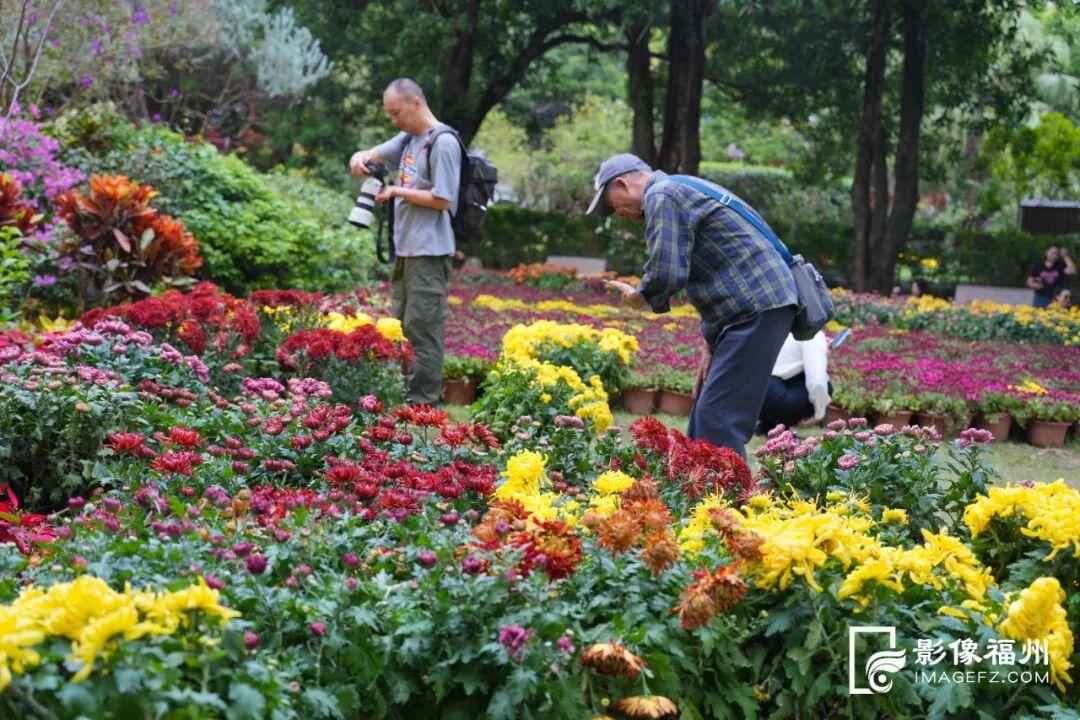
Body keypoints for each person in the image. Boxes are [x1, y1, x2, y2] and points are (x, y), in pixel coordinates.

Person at [593, 154, 798, 459]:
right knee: (706, 411)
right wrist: (711, 344)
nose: (619, 214)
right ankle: (699, 485)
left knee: (719, 418)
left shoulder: (661, 194)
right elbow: (714, 271)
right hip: (751, 309)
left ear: (622, 183)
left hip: (758, 306)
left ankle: (726, 489)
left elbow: (667, 270)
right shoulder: (680, 187)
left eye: (614, 205)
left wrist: (639, 297)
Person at [348, 78, 461, 406]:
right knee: (400, 325)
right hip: (406, 250)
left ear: (416, 103)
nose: (393, 120)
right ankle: (402, 397)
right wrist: (359, 159)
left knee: (423, 328)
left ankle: (424, 405)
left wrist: (396, 191)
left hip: (430, 251)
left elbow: (444, 199)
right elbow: (372, 154)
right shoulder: (408, 138)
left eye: (396, 113)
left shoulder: (443, 142)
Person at [757, 331, 831, 433]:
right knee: (827, 387)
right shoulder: (813, 333)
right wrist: (819, 413)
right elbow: (817, 380)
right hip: (773, 397)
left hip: (751, 392)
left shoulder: (774, 326)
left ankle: (767, 426)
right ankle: (780, 425)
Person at [1027, 244, 1075, 309]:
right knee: (1038, 314)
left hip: (1056, 299)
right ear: (1046, 252)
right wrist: (1033, 285)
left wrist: (1065, 256)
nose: (1054, 256)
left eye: (1056, 254)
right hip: (1040, 297)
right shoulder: (1038, 265)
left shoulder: (1060, 265)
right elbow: (1029, 281)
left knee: (1056, 315)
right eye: (1052, 253)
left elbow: (1072, 271)